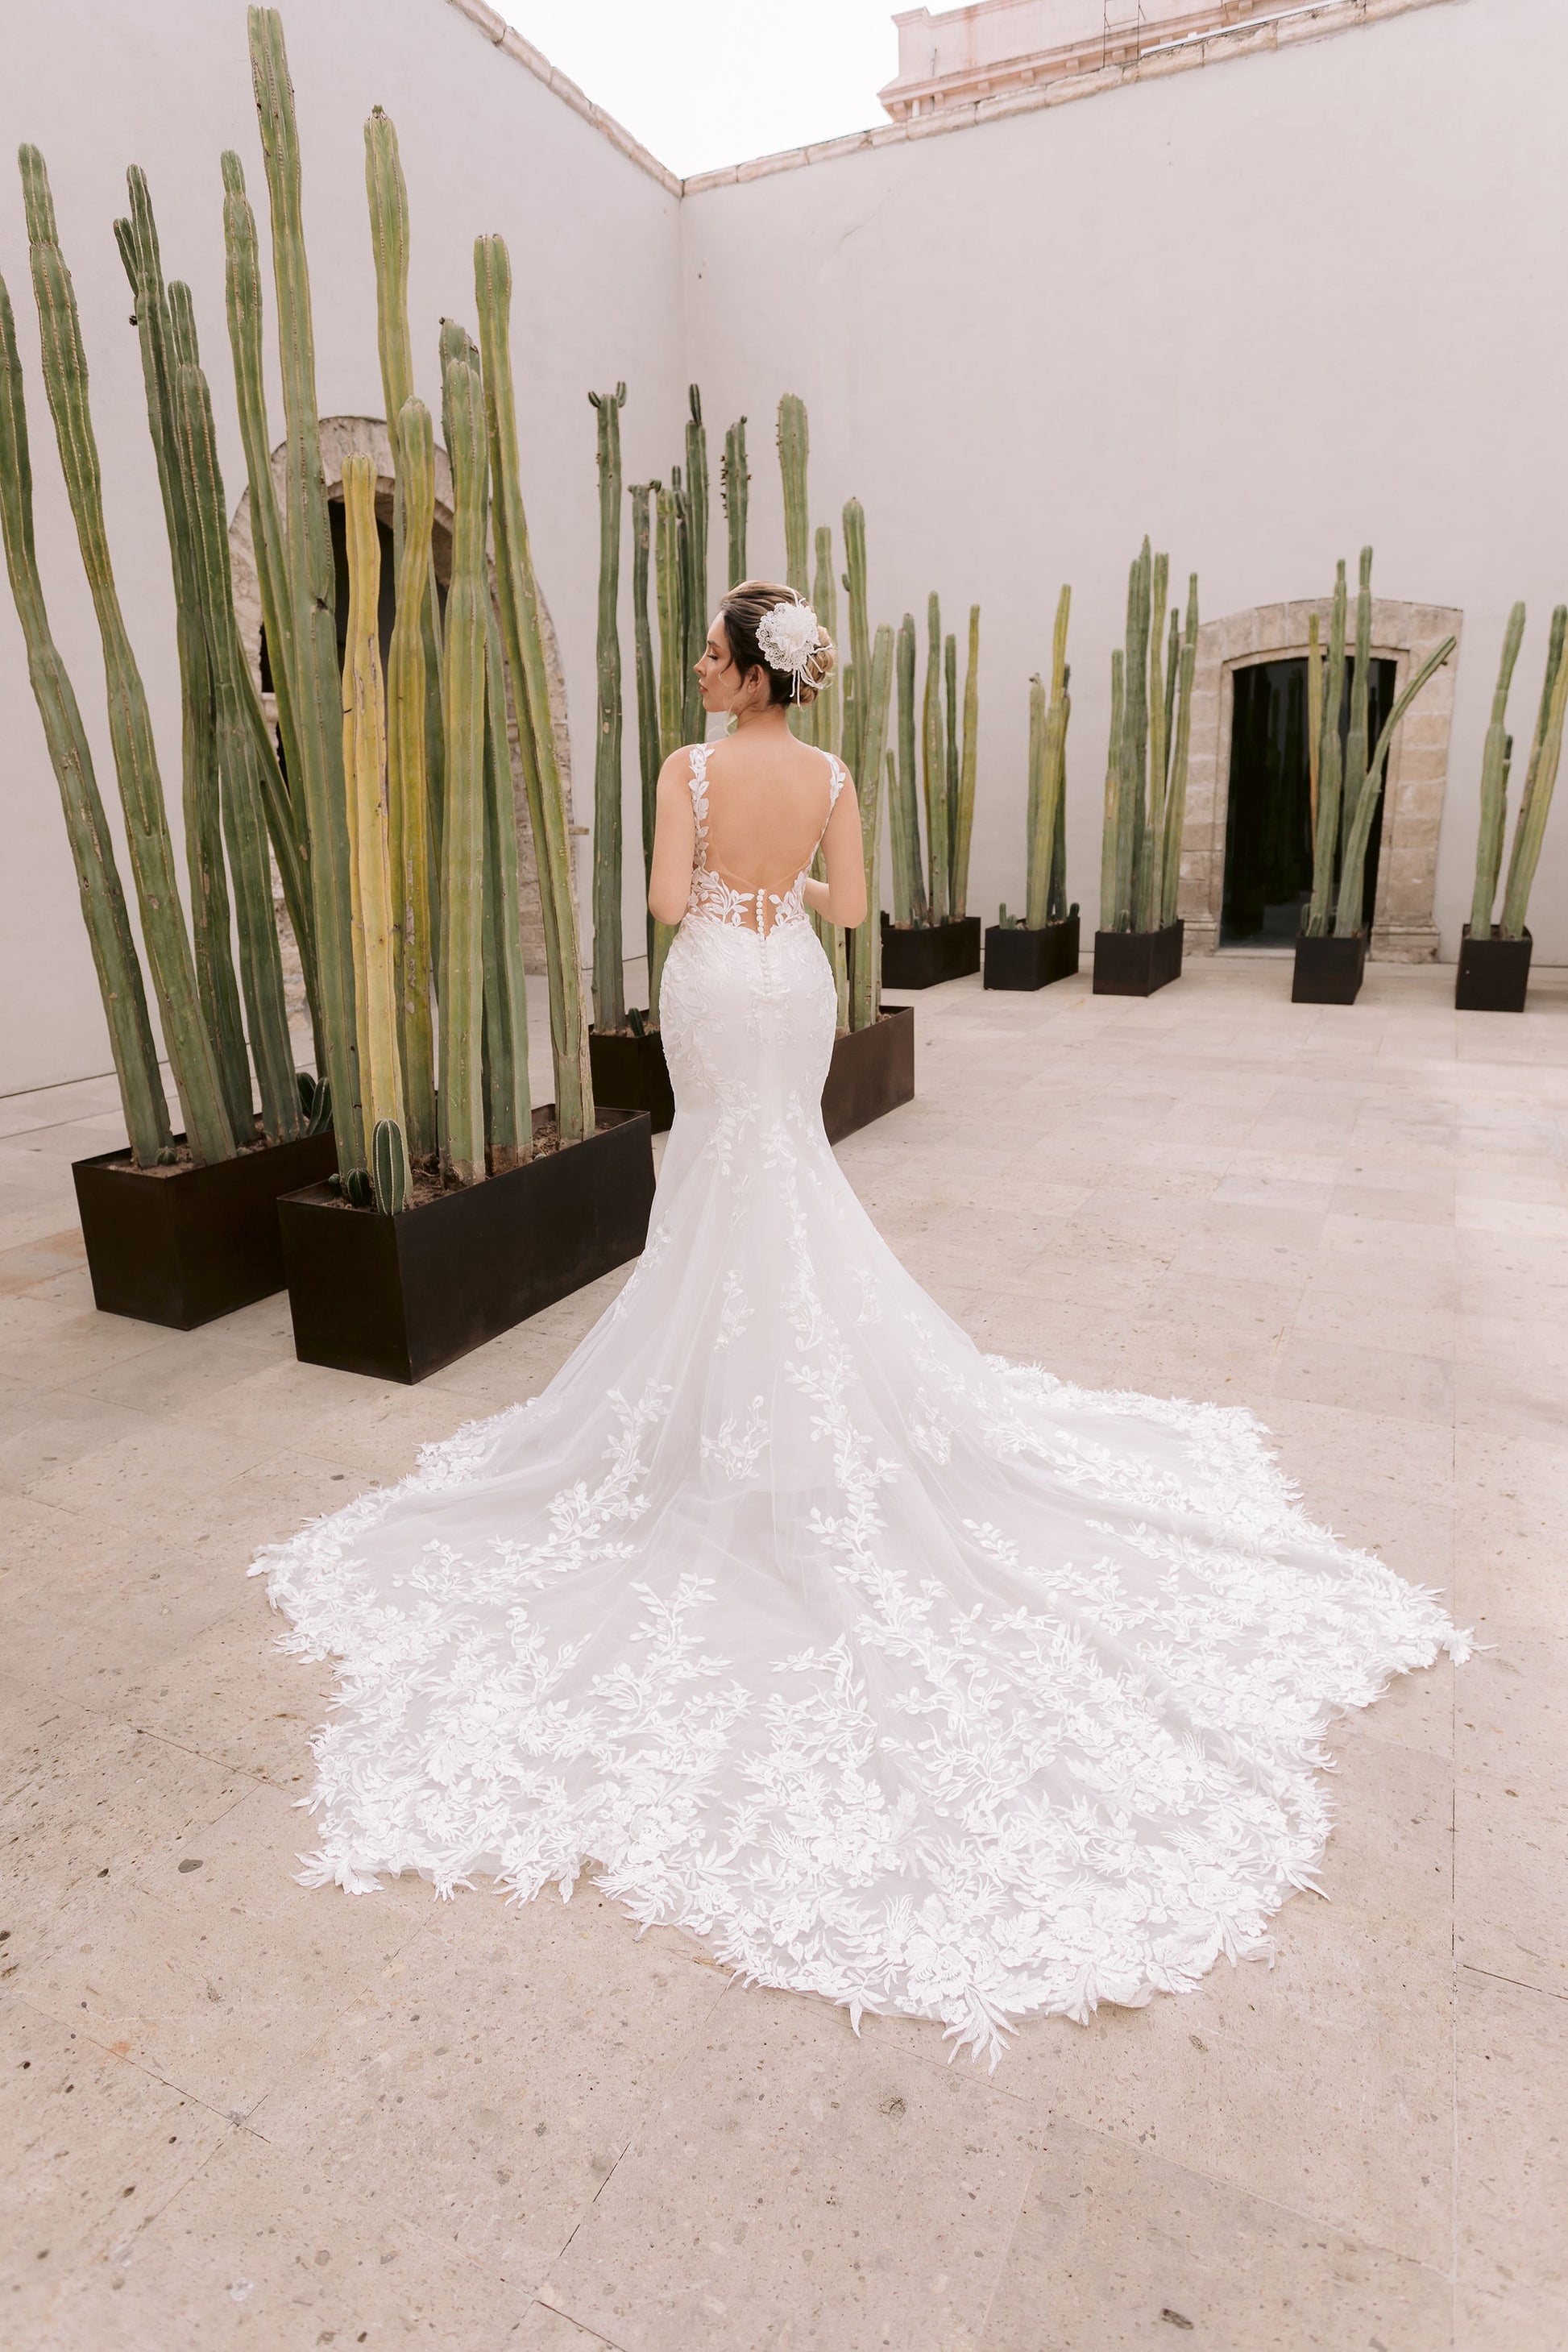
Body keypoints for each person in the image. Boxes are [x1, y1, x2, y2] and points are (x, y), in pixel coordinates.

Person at [255, 579, 1466, 2066]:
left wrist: (712, 888)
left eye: (707, 650)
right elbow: (851, 910)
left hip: (711, 976)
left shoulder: (684, 771)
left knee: (714, 1175)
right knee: (781, 1170)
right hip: (791, 979)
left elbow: (652, 904)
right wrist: (778, 897)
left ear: (747, 675)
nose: (696, 667)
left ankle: (715, 1409)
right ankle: (779, 1394)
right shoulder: (827, 775)